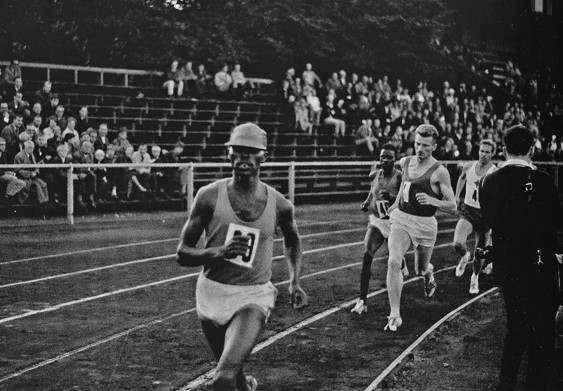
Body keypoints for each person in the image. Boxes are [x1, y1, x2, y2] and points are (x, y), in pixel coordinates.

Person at [175, 123, 308, 391]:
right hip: (211, 293)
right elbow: (182, 253)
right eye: (238, 151)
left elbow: (293, 243)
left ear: (264, 157)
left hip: (252, 296)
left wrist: (294, 280)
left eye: (251, 152)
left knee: (223, 377)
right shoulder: (209, 196)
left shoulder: (280, 205)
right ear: (228, 154)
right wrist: (218, 252)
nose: (243, 158)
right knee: (233, 371)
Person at [479, 124, 562, 391]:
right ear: (532, 149)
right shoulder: (543, 180)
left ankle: (506, 384)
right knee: (542, 334)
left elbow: (489, 220)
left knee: (515, 328)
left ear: (503, 148)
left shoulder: (488, 181)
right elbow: (555, 223)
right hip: (539, 267)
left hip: (507, 267)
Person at [384, 124, 457, 331]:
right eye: (417, 144)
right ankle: (394, 314)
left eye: (425, 145)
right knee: (393, 261)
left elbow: (453, 205)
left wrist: (434, 201)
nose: (420, 149)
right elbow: (403, 187)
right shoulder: (405, 162)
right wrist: (395, 205)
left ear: (434, 146)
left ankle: (429, 275)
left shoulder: (440, 172)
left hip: (425, 224)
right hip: (402, 218)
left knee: (420, 268)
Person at [351, 144, 406, 315]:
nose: (384, 160)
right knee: (367, 254)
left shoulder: (399, 178)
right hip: (377, 222)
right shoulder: (376, 175)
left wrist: (391, 198)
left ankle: (401, 262)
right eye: (382, 156)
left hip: (395, 223)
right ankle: (362, 300)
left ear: (394, 159)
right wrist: (367, 202)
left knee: (395, 260)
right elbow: (373, 191)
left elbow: (405, 199)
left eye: (388, 157)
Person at [452, 139, 497, 294]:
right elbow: (462, 177)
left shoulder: (495, 173)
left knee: (480, 253)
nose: (483, 154)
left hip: (485, 216)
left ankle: (474, 277)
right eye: (482, 151)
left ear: (493, 154)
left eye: (487, 152)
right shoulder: (468, 166)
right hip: (469, 211)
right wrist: (457, 196)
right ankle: (464, 256)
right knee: (458, 243)